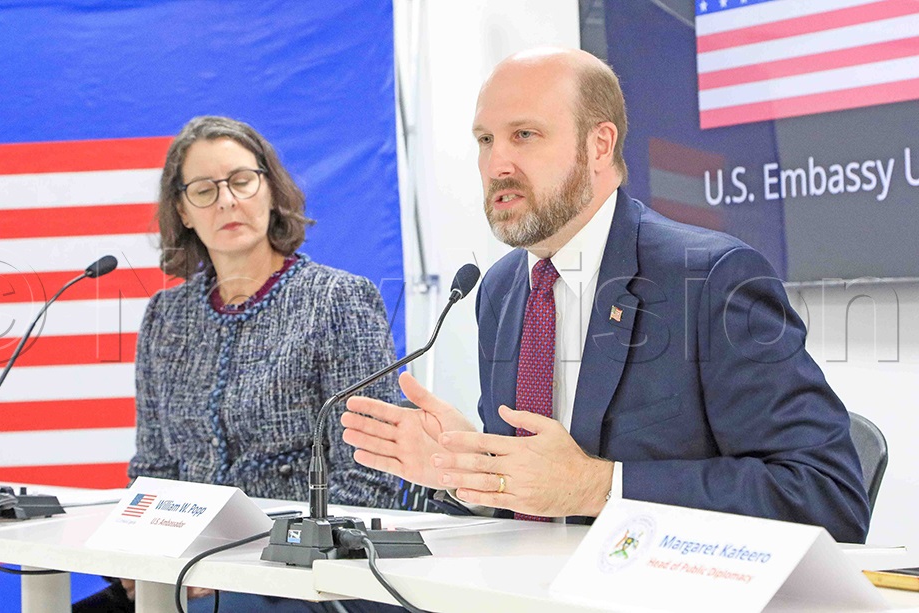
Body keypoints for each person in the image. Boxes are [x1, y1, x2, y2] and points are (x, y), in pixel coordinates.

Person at [341, 48, 871, 543]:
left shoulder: (709, 279)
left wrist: (599, 487)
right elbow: (530, 509)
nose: (496, 164)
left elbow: (828, 498)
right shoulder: (500, 289)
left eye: (524, 134)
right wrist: (466, 470)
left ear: (599, 145)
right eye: (484, 140)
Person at [75, 115, 402, 612]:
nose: (227, 200)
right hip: (186, 568)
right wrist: (144, 555)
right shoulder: (166, 316)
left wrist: (246, 564)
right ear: (183, 212)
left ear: (271, 190)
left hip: (299, 577)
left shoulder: (339, 299)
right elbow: (153, 468)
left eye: (241, 181)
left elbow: (370, 475)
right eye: (204, 190)